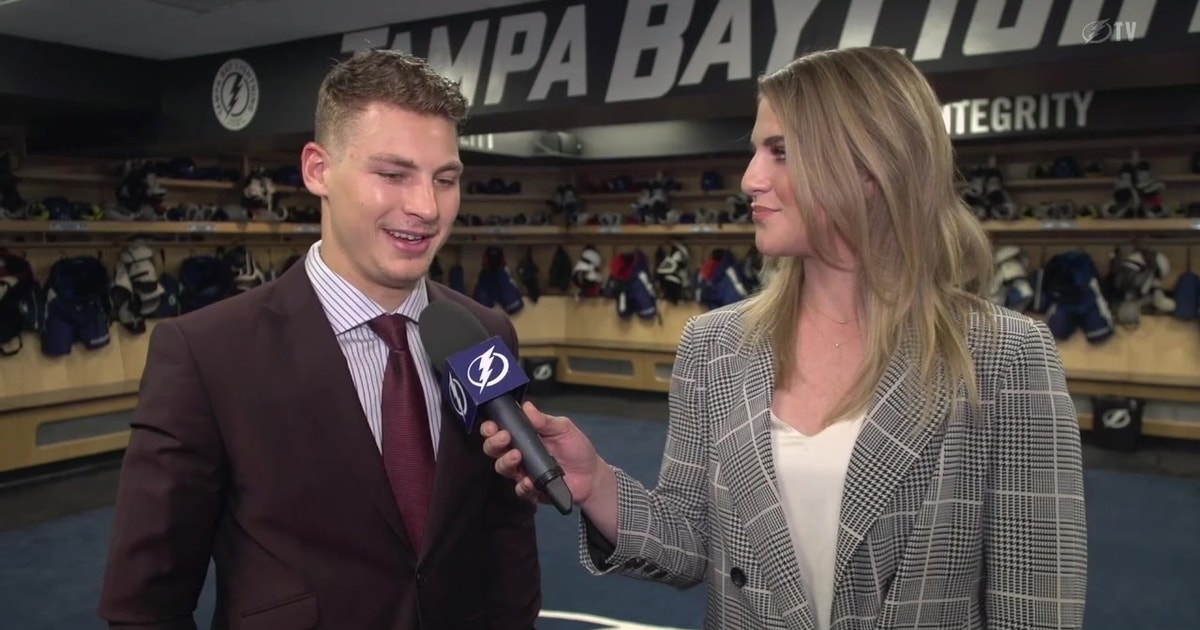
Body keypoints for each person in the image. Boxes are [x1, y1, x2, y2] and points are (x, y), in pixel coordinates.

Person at [482, 46, 1087, 630]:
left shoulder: (1005, 355)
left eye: (780, 151)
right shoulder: (713, 346)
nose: (750, 178)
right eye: (755, 152)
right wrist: (597, 484)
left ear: (871, 166)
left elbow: (1034, 600)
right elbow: (690, 545)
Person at [98, 49, 541, 630]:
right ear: (317, 170)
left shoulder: (485, 334)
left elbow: (505, 537)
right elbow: (145, 603)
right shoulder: (207, 353)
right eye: (393, 174)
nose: (426, 207)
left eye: (446, 179)